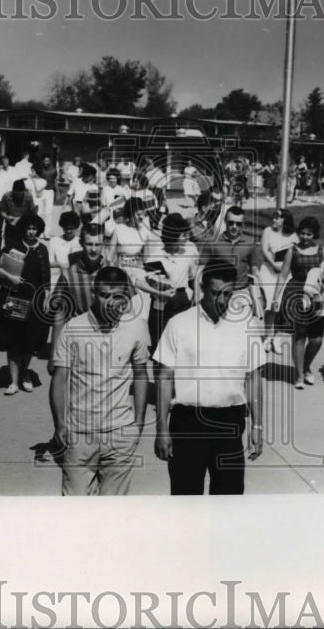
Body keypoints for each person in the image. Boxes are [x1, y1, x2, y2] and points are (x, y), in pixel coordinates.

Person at [153, 259, 265, 495]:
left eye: (228, 294)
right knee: (186, 499)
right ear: (202, 288)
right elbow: (164, 378)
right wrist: (161, 428)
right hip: (188, 423)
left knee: (229, 501)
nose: (222, 301)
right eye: (216, 294)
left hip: (230, 423)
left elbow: (254, 377)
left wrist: (258, 426)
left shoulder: (246, 325)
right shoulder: (179, 324)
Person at [50, 266, 149, 496]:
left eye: (117, 296)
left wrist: (139, 422)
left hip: (120, 433)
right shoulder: (73, 328)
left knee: (113, 512)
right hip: (81, 433)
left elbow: (141, 374)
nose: (109, 302)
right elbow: (60, 378)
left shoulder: (136, 327)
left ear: (126, 296)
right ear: (94, 292)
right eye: (104, 295)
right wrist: (60, 424)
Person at [0, 213, 51, 396]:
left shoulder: (42, 249)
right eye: (28, 228)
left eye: (34, 228)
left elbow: (46, 276)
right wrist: (10, 277)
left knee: (30, 340)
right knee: (13, 340)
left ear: (39, 230)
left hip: (35, 299)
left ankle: (25, 374)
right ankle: (13, 381)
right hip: (14, 297)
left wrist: (47, 297)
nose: (31, 232)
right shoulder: (13, 246)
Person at [275, 216, 324, 389]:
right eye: (302, 233)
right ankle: (299, 374)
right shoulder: (292, 250)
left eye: (309, 234)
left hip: (316, 295)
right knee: (299, 335)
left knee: (316, 338)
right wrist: (275, 298)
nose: (305, 237)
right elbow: (283, 274)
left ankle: (306, 365)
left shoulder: (322, 250)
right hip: (296, 294)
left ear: (314, 234)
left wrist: (321, 276)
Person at [143, 213, 198, 350]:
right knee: (160, 346)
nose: (186, 238)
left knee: (182, 344)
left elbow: (192, 278)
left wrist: (194, 299)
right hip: (160, 304)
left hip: (182, 302)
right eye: (183, 235)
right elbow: (152, 284)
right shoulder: (155, 257)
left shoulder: (189, 252)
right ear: (173, 236)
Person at [49, 222, 106, 350]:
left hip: (107, 342)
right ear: (81, 244)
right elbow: (59, 315)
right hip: (77, 342)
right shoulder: (68, 275)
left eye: (98, 244)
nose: (93, 249)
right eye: (89, 244)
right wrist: (54, 353)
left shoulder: (113, 272)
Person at [255, 208, 297, 352]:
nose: (274, 219)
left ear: (285, 219)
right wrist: (273, 264)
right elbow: (264, 250)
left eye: (278, 217)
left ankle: (277, 337)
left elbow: (296, 255)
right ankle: (267, 336)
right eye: (274, 216)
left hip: (285, 273)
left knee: (281, 305)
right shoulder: (268, 231)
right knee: (271, 305)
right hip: (268, 270)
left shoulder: (293, 236)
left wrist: (285, 267)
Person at [198, 204, 257, 291]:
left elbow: (254, 270)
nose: (234, 226)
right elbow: (201, 269)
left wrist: (259, 291)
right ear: (225, 221)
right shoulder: (212, 243)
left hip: (242, 291)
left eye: (238, 224)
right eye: (231, 223)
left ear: (243, 224)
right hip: (219, 291)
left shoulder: (250, 243)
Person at [0, 178, 37, 249]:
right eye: (15, 193)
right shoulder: (6, 196)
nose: (18, 196)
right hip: (10, 226)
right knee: (9, 247)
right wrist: (7, 217)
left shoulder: (28, 196)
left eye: (20, 194)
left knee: (22, 247)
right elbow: (2, 211)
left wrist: (24, 219)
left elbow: (33, 212)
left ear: (23, 191)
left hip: (23, 227)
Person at [36, 153, 59, 237]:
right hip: (41, 191)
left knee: (48, 212)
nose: (46, 162)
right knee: (40, 212)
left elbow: (55, 181)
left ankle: (47, 232)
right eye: (45, 161)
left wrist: (57, 192)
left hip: (50, 192)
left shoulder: (53, 170)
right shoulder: (40, 170)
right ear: (43, 161)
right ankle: (40, 231)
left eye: (48, 161)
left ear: (50, 162)